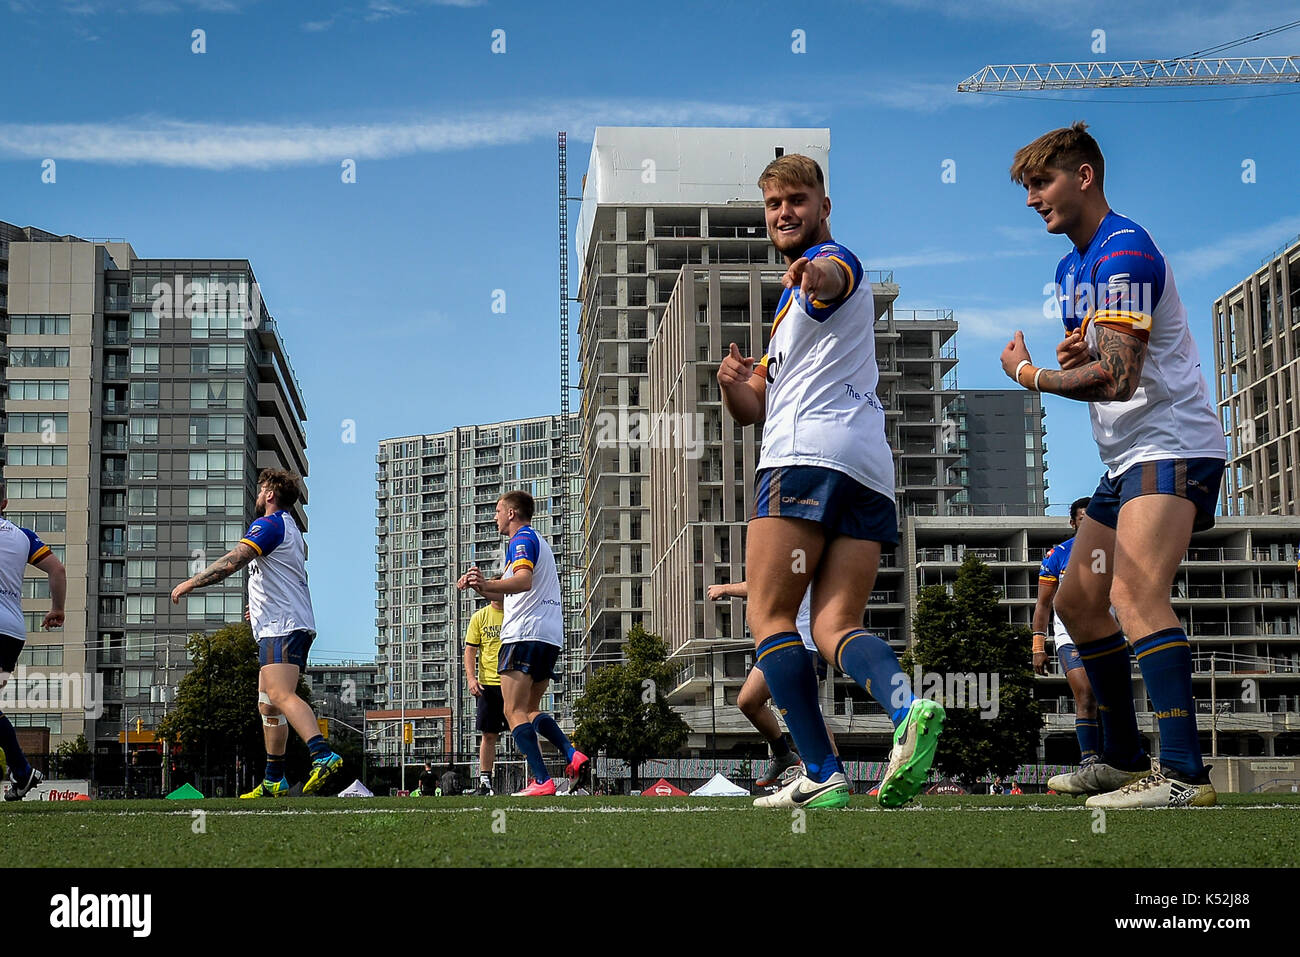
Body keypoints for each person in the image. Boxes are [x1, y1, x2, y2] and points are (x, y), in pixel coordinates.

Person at [1002, 122, 1225, 808]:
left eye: (1043, 182)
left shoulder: (1123, 250)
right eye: (1028, 188)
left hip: (1171, 442)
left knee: (1133, 595)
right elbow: (1107, 359)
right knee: (1076, 600)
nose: (1033, 198)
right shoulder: (1073, 268)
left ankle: (1184, 773)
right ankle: (1124, 758)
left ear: (1085, 177)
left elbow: (1121, 379)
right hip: (1126, 455)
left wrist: (1033, 374)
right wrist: (1082, 356)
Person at [718, 153, 944, 810]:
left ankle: (820, 767)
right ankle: (907, 710)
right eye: (773, 204)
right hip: (867, 468)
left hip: (803, 457)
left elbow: (835, 275)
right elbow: (754, 405)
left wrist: (813, 270)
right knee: (835, 623)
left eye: (797, 200)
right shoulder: (786, 313)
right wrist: (736, 388)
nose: (784, 212)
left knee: (770, 615)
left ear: (823, 206)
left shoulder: (832, 264)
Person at [171, 468, 342, 798]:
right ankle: (273, 778)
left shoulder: (268, 524)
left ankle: (322, 754)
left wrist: (191, 583)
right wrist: (258, 609)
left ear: (270, 495)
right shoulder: (288, 528)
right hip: (278, 624)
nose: (257, 494)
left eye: (261, 489)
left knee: (280, 694)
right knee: (268, 705)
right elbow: (279, 577)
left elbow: (233, 561)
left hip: (283, 627)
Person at [457, 491, 587, 796]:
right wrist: (480, 587)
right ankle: (572, 753)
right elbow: (508, 593)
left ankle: (542, 780)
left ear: (512, 513)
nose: (495, 516)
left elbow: (523, 580)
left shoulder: (520, 540)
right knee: (529, 709)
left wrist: (486, 583)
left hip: (523, 635)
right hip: (549, 637)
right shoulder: (539, 542)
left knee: (511, 710)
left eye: (498, 510)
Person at [707, 580, 837, 787]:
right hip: (776, 644)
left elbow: (762, 584)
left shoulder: (797, 555)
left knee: (807, 711)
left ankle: (835, 772)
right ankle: (783, 755)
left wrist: (724, 589)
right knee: (748, 701)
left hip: (802, 644)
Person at [0, 488, 66, 801]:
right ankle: (23, 771)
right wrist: (57, 608)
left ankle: (23, 771)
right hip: (11, 632)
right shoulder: (22, 536)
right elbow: (57, 568)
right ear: (4, 503)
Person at [1034, 497, 1104, 764]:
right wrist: (1038, 647)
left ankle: (1118, 759)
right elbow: (1042, 604)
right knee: (1085, 694)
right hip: (1070, 637)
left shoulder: (1113, 549)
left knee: (1108, 699)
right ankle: (1089, 759)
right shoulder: (1058, 554)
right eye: (1083, 520)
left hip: (1106, 635)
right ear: (1073, 522)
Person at [464, 597, 505, 795]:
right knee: (489, 735)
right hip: (488, 685)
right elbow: (470, 650)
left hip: (513, 682)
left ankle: (538, 779)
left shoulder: (516, 613)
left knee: (523, 730)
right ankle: (485, 781)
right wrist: (471, 679)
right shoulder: (480, 617)